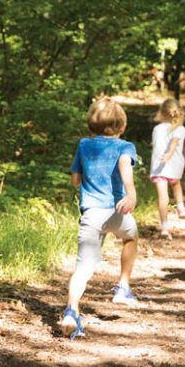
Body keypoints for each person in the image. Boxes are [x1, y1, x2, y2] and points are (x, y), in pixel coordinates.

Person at [61, 97, 141, 340]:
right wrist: (131, 193)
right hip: (116, 211)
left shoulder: (84, 145)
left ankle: (71, 311)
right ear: (122, 127)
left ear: (91, 124)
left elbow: (75, 180)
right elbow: (125, 165)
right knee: (131, 237)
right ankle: (123, 287)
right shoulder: (124, 146)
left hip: (91, 214)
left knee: (83, 267)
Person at [151, 98, 185, 239]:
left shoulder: (157, 129)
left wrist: (165, 156)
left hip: (159, 166)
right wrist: (169, 155)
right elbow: (174, 143)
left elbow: (157, 145)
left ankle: (164, 226)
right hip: (174, 164)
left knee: (162, 197)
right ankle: (180, 208)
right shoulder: (180, 129)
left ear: (162, 113)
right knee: (176, 184)